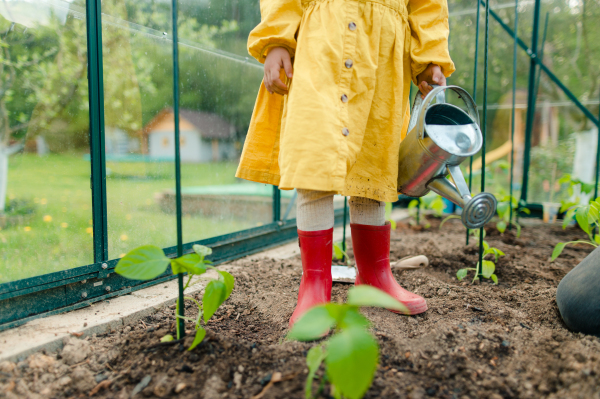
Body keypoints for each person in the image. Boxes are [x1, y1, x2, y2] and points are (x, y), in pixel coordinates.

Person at [236, 0, 455, 327]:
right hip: (320, 47)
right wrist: (278, 39)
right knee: (315, 162)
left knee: (374, 167)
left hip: (382, 56)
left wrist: (429, 57)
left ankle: (375, 275)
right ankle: (314, 283)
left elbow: (428, 5)